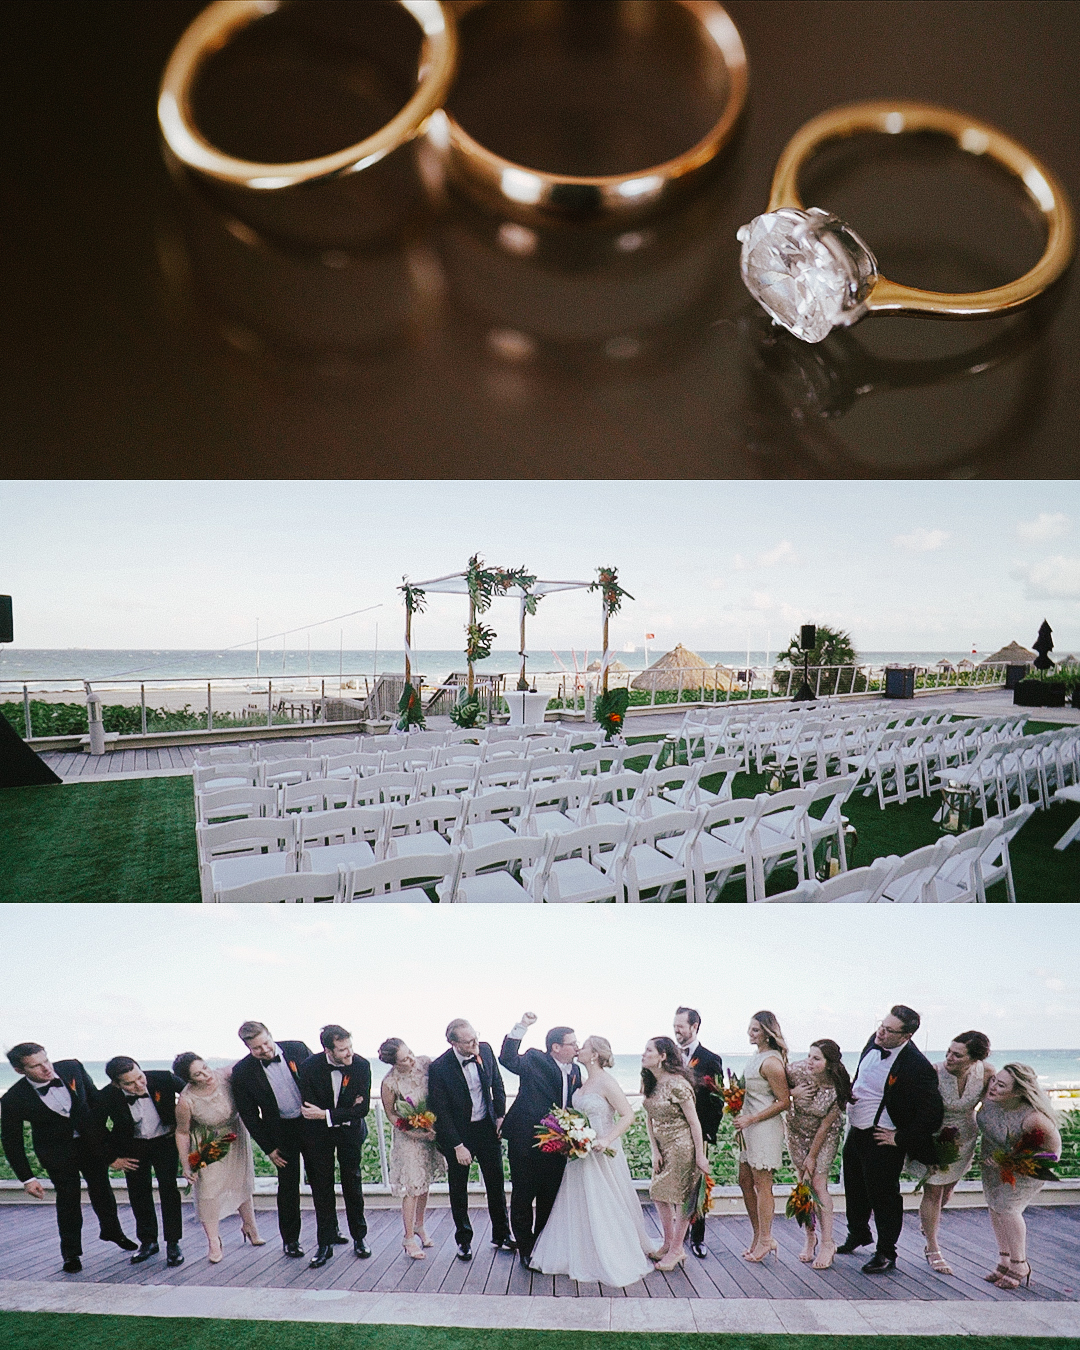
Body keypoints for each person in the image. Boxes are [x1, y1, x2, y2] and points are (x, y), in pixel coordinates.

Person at [0, 1042, 136, 1273]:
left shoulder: (72, 1068)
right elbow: (11, 1141)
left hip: (89, 1144)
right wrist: (27, 1179)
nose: (46, 1069)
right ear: (20, 1070)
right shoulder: (13, 1099)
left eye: (46, 1061)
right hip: (56, 1152)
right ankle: (71, 1253)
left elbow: (96, 1105)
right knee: (68, 1199)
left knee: (102, 1188)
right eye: (36, 1066)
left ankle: (112, 1231)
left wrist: (109, 1149)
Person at [531, 1035, 656, 1286]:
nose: (579, 1048)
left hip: (602, 1150)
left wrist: (607, 1139)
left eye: (584, 1046)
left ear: (595, 1054)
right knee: (580, 1200)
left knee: (607, 1199)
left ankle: (610, 1251)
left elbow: (628, 1115)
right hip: (580, 1152)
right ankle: (580, 1250)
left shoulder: (607, 1082)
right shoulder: (582, 1080)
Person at [839, 1005, 943, 1275]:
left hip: (882, 1137)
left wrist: (900, 1137)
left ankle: (887, 1252)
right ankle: (858, 1233)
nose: (880, 1033)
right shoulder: (874, 1042)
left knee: (884, 1196)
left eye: (888, 1030)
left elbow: (932, 1114)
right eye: (881, 1026)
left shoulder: (917, 1066)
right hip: (857, 1129)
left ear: (906, 1036)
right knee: (854, 1187)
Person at [500, 1012, 582, 1268]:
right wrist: (522, 1026)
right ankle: (525, 1248)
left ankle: (542, 1243)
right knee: (523, 1196)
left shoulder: (577, 1070)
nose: (577, 1048)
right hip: (526, 1140)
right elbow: (507, 1058)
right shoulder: (535, 1059)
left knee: (550, 1196)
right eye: (573, 1043)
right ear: (556, 1047)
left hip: (558, 1144)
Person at [910, 1031, 994, 1276]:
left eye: (957, 1055)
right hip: (935, 1136)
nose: (949, 1057)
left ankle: (929, 1223)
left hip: (966, 1138)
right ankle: (932, 1247)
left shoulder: (987, 1073)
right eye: (948, 1051)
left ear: (974, 1060)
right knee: (934, 1190)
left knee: (946, 1192)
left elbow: (994, 1104)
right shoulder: (934, 1072)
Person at [428, 1018, 513, 1262]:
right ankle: (464, 1240)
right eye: (469, 1041)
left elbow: (497, 1084)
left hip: (486, 1128)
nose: (475, 1043)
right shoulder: (440, 1067)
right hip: (458, 1133)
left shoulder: (484, 1049)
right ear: (453, 1042)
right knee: (459, 1189)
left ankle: (502, 1234)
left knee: (496, 1183)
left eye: (476, 1037)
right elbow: (440, 1112)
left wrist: (499, 1116)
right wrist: (457, 1145)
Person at [229, 1021, 314, 1258]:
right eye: (257, 1049)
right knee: (288, 1188)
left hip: (310, 1124)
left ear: (271, 1035)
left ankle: (330, 1232)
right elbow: (249, 1114)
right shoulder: (243, 1072)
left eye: (266, 1043)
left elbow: (318, 1081)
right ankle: (291, 1241)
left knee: (321, 1180)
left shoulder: (297, 1049)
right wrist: (268, 1148)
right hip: (280, 1132)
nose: (264, 1050)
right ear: (248, 1048)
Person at [978, 1062, 1062, 1291]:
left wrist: (1013, 1161)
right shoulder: (990, 1095)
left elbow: (1052, 1153)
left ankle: (1020, 1264)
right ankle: (1004, 1260)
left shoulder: (1034, 1118)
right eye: (995, 1080)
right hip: (992, 1159)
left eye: (1001, 1085)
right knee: (995, 1206)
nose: (993, 1086)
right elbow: (982, 1064)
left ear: (1018, 1092)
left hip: (1026, 1167)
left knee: (1008, 1208)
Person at [96, 1055, 186, 1268]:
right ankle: (148, 1242)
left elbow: (193, 1094)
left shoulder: (163, 1079)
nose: (138, 1085)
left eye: (140, 1077)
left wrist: (183, 1123)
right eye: (129, 1083)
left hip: (165, 1142)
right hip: (132, 1147)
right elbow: (95, 1128)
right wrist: (112, 1158)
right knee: (138, 1193)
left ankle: (173, 1243)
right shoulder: (107, 1096)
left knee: (169, 1190)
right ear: (116, 1084)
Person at [174, 1052, 261, 1262]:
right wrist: (186, 1164)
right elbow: (182, 1132)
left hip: (235, 1133)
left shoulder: (223, 1075)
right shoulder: (186, 1101)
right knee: (208, 1190)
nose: (206, 1074)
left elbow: (249, 1058)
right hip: (209, 1140)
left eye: (205, 1067)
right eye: (198, 1074)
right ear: (190, 1079)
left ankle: (250, 1226)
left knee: (241, 1180)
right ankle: (213, 1241)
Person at [297, 1024, 372, 1269]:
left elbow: (362, 1110)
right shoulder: (309, 1067)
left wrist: (327, 1114)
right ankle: (325, 1242)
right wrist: (344, 1111)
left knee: (353, 1182)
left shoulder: (362, 1066)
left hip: (350, 1133)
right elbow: (309, 1109)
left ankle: (359, 1238)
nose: (349, 1053)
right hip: (317, 1136)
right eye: (342, 1050)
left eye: (350, 1047)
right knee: (322, 1186)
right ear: (328, 1050)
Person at [641, 1035, 711, 1272]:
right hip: (663, 1147)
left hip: (682, 1147)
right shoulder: (650, 1082)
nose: (643, 1054)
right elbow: (649, 1118)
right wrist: (654, 1150)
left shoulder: (679, 1084)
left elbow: (695, 1123)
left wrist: (700, 1156)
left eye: (649, 1050)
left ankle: (677, 1249)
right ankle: (669, 1243)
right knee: (659, 1193)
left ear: (662, 1057)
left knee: (683, 1198)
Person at [785, 1039, 851, 1270]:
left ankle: (827, 1243)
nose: (809, 1062)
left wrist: (812, 1156)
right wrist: (792, 1093)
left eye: (816, 1058)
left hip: (824, 1136)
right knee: (803, 1183)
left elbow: (825, 1126)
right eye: (809, 1055)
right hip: (795, 1132)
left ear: (829, 1063)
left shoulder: (838, 1085)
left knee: (818, 1184)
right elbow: (775, 1093)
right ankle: (809, 1236)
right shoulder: (795, 1070)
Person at [379, 1038, 447, 1260]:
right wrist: (410, 1129)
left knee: (424, 1183)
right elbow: (391, 1113)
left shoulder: (425, 1063)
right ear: (394, 1063)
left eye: (410, 1053)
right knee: (412, 1187)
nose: (411, 1059)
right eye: (404, 1059)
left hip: (430, 1131)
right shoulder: (390, 1083)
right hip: (409, 1138)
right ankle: (408, 1238)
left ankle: (419, 1226)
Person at [733, 1011, 791, 1264]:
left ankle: (767, 1239)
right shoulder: (756, 1057)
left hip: (764, 1127)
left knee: (762, 1183)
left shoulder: (771, 1062)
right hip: (748, 1127)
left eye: (755, 1030)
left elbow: (784, 1101)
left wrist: (751, 1118)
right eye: (749, 1028)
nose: (750, 1033)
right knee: (744, 1180)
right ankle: (758, 1235)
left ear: (768, 1033)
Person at [673, 1005, 723, 1259]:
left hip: (697, 1131)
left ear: (694, 1026)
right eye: (675, 1026)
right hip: (672, 1132)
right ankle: (673, 1241)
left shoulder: (710, 1058)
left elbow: (717, 1100)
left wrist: (707, 1134)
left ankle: (698, 1238)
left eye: (681, 1026)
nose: (676, 1030)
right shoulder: (669, 1055)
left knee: (698, 1185)